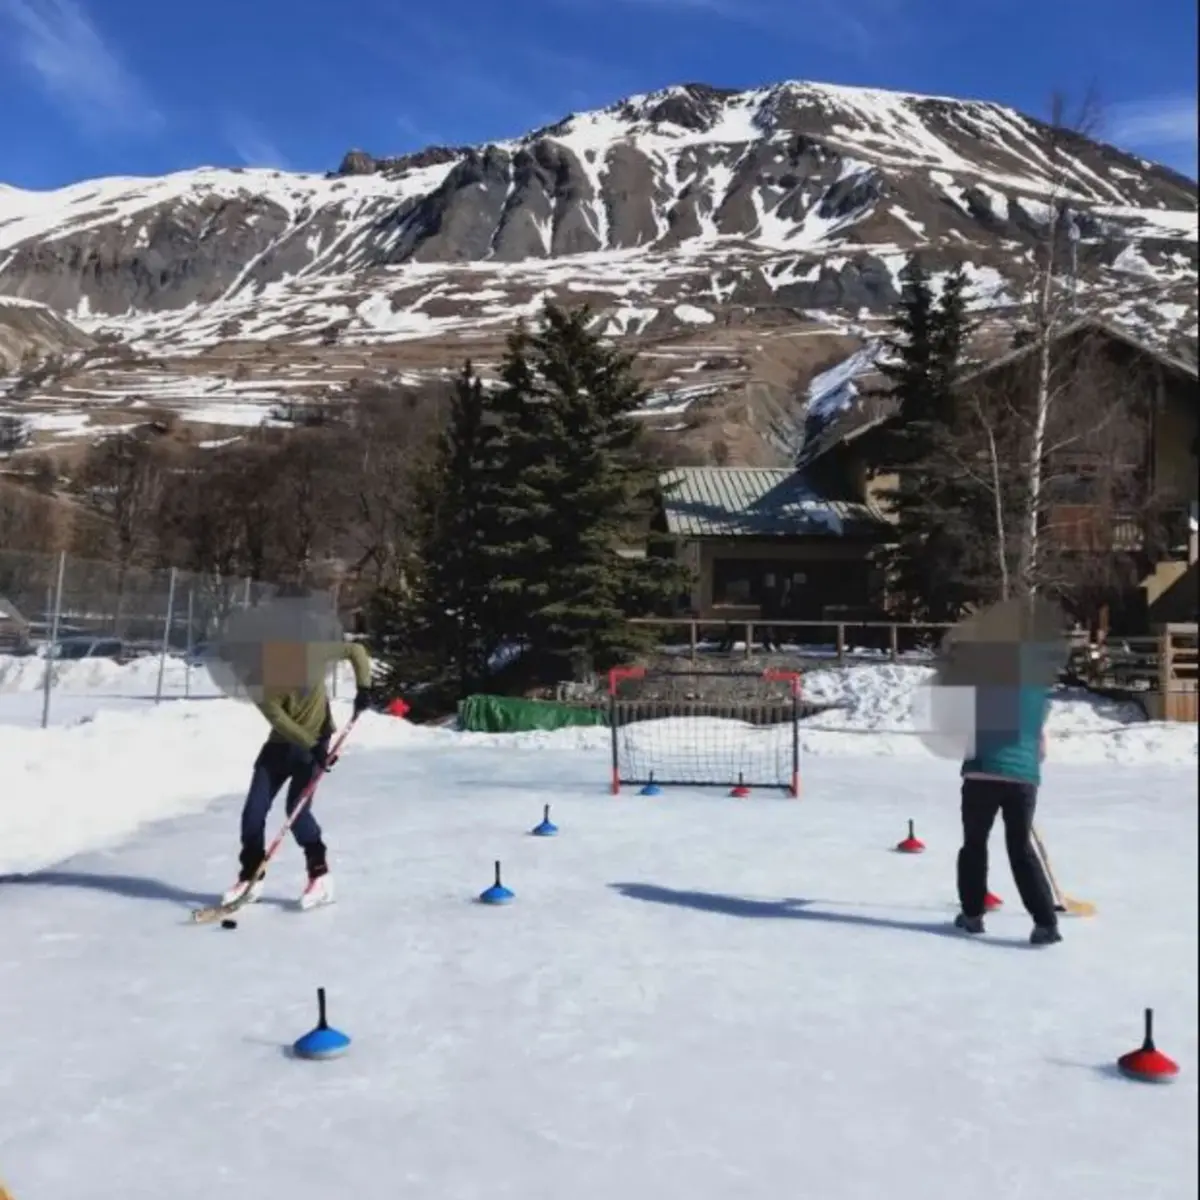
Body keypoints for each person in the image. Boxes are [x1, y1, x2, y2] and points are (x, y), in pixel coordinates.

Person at [223, 639, 373, 910]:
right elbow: (281, 721)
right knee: (253, 813)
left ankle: (320, 876)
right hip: (283, 745)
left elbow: (356, 650)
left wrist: (364, 687)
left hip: (317, 738)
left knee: (297, 809)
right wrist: (312, 746)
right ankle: (251, 876)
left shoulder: (309, 653)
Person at [954, 659, 1061, 946]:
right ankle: (1045, 923)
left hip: (982, 775)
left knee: (974, 844)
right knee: (1021, 848)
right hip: (1024, 779)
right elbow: (1040, 749)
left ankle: (973, 915)